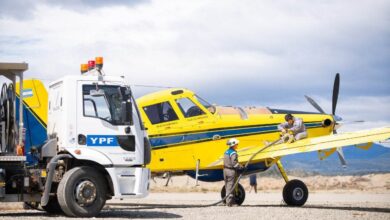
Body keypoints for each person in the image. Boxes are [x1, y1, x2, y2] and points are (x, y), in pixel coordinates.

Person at [223, 138, 244, 207]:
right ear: (233, 145)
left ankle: (227, 201)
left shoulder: (226, 152)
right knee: (231, 187)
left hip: (225, 170)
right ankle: (230, 203)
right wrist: (241, 168)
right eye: (236, 144)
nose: (237, 145)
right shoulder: (233, 153)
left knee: (227, 186)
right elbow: (234, 163)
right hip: (231, 171)